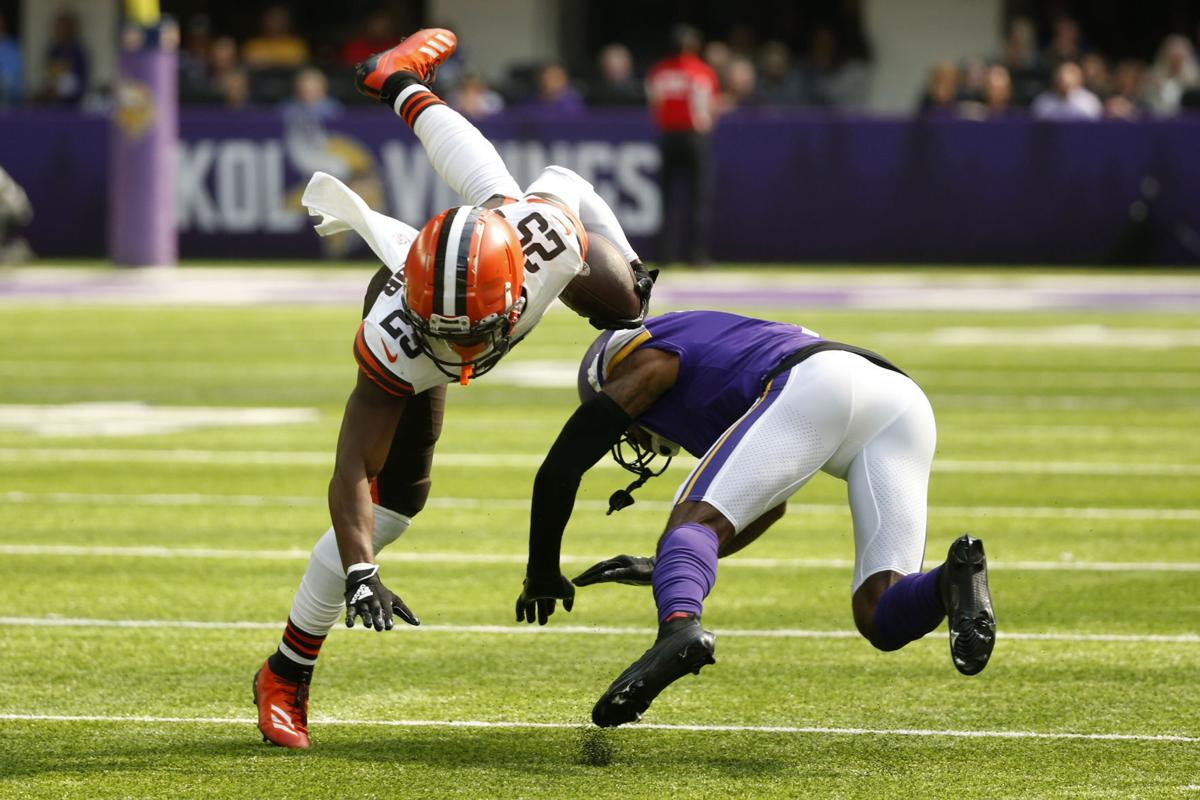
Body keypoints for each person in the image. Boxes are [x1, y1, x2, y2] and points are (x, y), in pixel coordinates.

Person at [251, 29, 655, 750]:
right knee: (396, 502)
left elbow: (569, 179)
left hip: (504, 242)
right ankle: (286, 672)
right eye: (451, 335)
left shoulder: (546, 247)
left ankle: (396, 80)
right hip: (424, 282)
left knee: (626, 305)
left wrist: (627, 257)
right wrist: (362, 572)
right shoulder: (401, 338)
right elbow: (350, 469)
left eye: (476, 335)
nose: (464, 351)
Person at [514, 311, 996, 727]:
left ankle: (679, 627)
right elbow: (768, 506)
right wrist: (668, 567)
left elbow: (562, 466)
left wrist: (541, 570)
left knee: (691, 524)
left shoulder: (647, 357)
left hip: (818, 382)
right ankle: (948, 583)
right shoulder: (715, 355)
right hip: (901, 401)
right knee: (881, 615)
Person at [646, 25, 720, 266]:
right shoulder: (701, 71)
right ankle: (696, 256)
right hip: (693, 136)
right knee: (699, 197)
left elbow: (654, 104)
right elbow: (710, 106)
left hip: (668, 136)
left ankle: (665, 255)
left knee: (667, 197)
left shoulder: (659, 72)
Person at [1032, 62, 1102, 120]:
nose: (1064, 83)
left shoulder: (1090, 101)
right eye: (1060, 79)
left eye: (1069, 83)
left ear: (1079, 80)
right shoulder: (1043, 101)